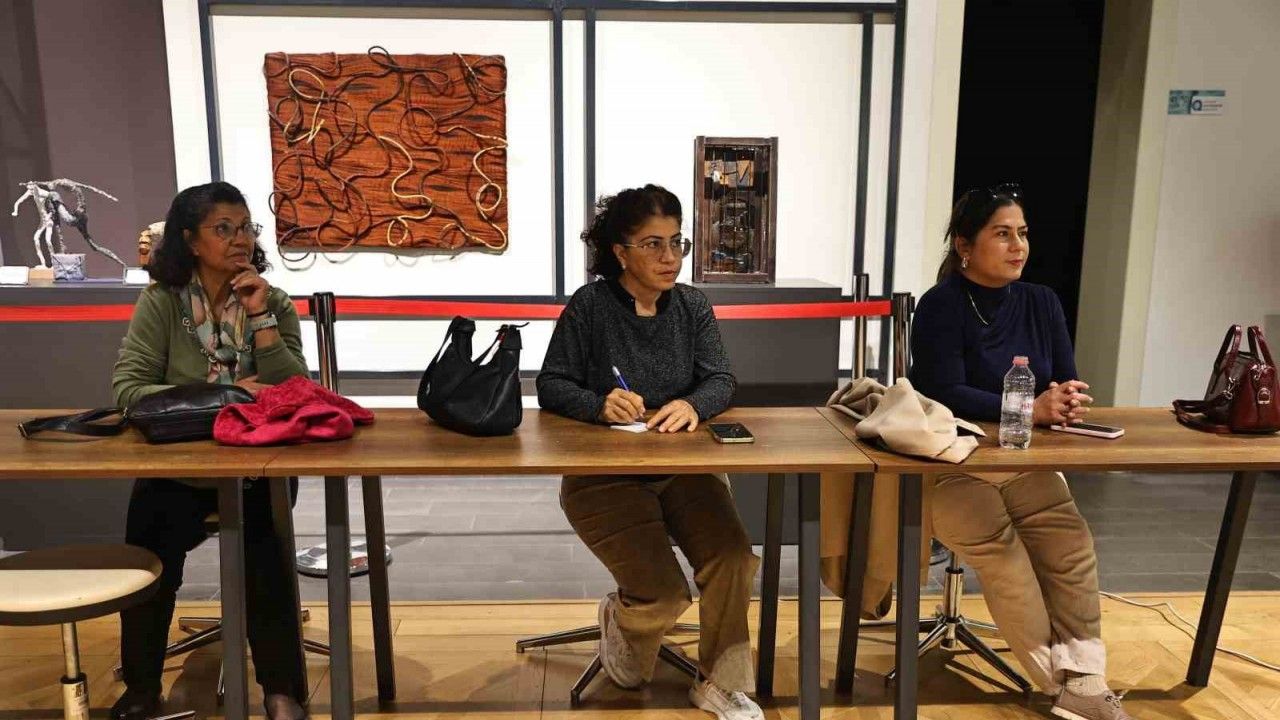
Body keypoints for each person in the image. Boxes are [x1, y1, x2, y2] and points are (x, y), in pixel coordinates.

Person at [909, 183, 1134, 720]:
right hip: (954, 464)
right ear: (965, 245)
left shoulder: (1041, 301)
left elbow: (1063, 377)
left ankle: (1086, 677)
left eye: (1023, 234)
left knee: (1071, 545)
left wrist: (1065, 400)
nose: (1019, 246)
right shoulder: (941, 305)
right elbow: (941, 390)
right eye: (1003, 234)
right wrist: (1029, 408)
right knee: (1007, 561)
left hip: (1024, 461)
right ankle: (1062, 687)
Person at [537, 185, 762, 720]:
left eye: (677, 242)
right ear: (620, 252)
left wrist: (692, 403)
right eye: (653, 244)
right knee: (662, 595)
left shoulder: (691, 305)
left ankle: (720, 682)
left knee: (732, 558)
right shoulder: (591, 306)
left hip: (681, 470)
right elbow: (551, 383)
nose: (670, 257)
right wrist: (598, 404)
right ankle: (622, 618)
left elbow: (721, 378)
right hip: (604, 477)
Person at [110, 182, 310, 720]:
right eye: (223, 229)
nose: (240, 239)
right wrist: (228, 394)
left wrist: (261, 318)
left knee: (266, 560)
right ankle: (141, 688)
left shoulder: (273, 301)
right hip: (177, 466)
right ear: (190, 240)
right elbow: (129, 390)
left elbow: (296, 391)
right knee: (149, 561)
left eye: (246, 227)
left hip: (256, 466)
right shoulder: (162, 302)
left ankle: (282, 691)